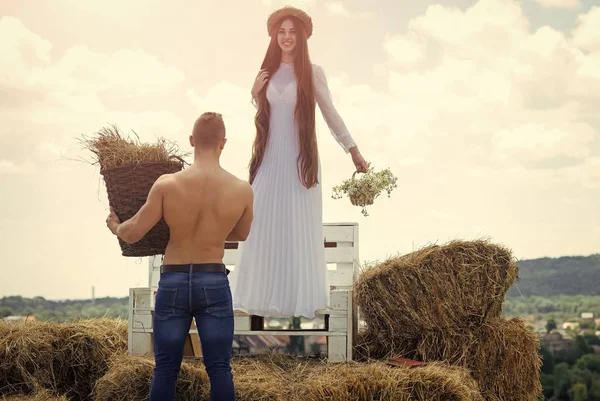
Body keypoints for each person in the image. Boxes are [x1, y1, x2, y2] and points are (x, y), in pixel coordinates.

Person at [231, 6, 368, 320]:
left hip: (300, 163)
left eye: (292, 32)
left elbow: (331, 114)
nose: (287, 37)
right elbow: (266, 112)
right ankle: (261, 300)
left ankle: (297, 302)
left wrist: (353, 149)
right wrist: (254, 94)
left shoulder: (312, 72)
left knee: (297, 227)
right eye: (282, 31)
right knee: (261, 218)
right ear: (274, 35)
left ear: (302, 36)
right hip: (268, 160)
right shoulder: (265, 72)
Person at [106, 112, 253, 401]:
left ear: (191, 141)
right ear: (223, 143)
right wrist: (213, 229)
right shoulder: (242, 189)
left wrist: (115, 226)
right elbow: (241, 234)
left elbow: (133, 232)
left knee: (166, 369)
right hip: (213, 281)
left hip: (173, 281)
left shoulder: (167, 184)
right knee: (220, 368)